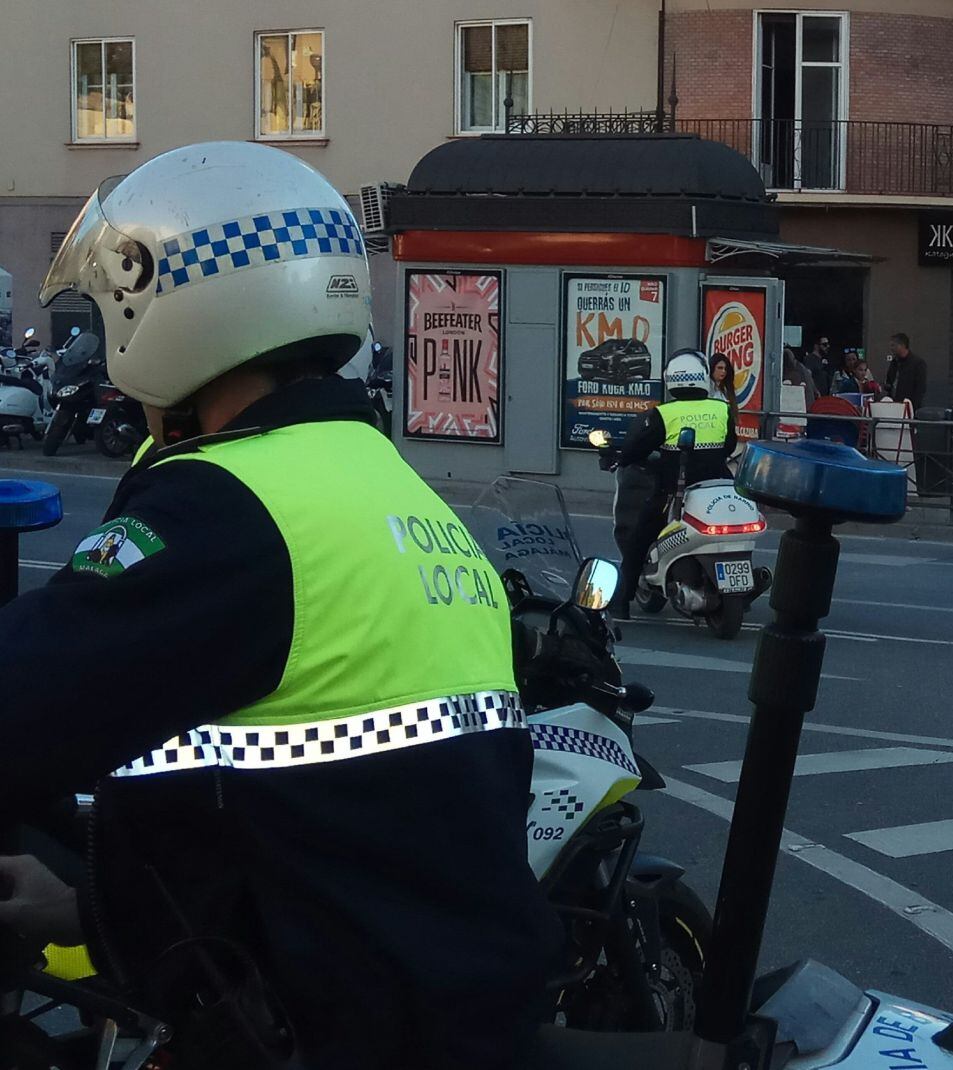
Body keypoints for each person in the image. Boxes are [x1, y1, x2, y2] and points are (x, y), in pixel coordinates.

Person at [0, 142, 559, 1070]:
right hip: (429, 1004)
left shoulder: (231, 507)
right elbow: (326, 820)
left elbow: (24, 704)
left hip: (318, 1030)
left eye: (109, 316)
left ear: (169, 306)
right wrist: (88, 907)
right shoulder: (380, 483)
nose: (105, 346)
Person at [609, 348, 737, 619]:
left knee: (639, 538)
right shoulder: (721, 409)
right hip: (721, 489)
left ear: (671, 379)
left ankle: (621, 601)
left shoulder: (664, 414)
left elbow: (635, 449)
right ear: (703, 375)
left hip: (675, 492)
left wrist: (621, 457)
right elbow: (730, 445)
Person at [883, 332, 927, 411]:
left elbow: (920, 389)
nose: (891, 348)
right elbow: (889, 380)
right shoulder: (894, 363)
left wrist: (912, 407)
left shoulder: (918, 364)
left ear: (902, 345)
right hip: (893, 406)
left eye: (893, 345)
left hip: (908, 407)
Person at [782, 346, 816, 410]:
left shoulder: (795, 372)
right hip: (810, 407)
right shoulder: (804, 369)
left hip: (802, 407)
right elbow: (816, 392)